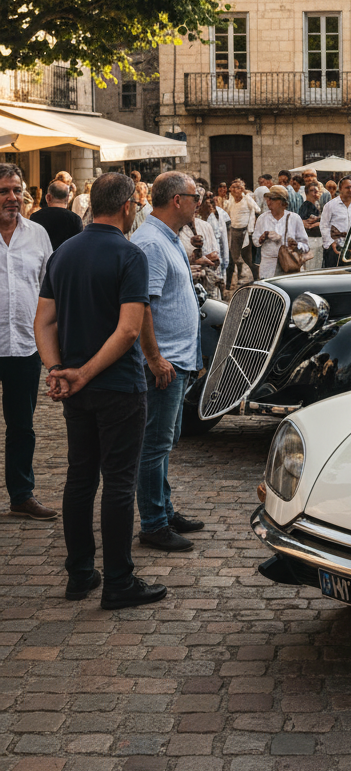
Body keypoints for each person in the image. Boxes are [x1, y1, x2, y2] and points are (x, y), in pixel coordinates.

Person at [35, 172, 167, 609]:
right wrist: (83, 373)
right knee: (118, 482)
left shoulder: (64, 253)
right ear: (128, 206)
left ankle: (79, 574)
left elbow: (43, 322)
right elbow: (129, 331)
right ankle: (118, 581)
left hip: (76, 386)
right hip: (117, 386)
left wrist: (58, 369)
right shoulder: (129, 256)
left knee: (79, 478)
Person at [131, 172, 205, 552]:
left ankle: (164, 508)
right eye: (196, 196)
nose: (200, 203)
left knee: (166, 439)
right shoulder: (151, 243)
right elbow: (141, 306)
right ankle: (154, 523)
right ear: (177, 200)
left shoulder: (167, 237)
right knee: (154, 444)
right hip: (164, 363)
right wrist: (154, 358)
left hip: (178, 359)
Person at [0, 165, 57, 519]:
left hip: (23, 345)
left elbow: (49, 291)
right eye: (5, 190)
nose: (12, 198)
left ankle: (21, 495)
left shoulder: (37, 235)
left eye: (17, 190)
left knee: (22, 425)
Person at [254, 185, 308, 279]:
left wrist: (296, 245)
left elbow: (305, 245)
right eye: (268, 198)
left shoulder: (294, 218)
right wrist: (262, 238)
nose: (269, 202)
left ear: (283, 202)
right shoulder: (262, 218)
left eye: (273, 199)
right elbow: (255, 241)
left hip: (289, 265)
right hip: (268, 267)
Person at [225, 179, 260, 288]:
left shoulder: (247, 199)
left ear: (242, 189)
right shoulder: (230, 201)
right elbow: (227, 213)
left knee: (248, 258)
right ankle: (235, 279)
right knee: (234, 257)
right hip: (234, 231)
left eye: (238, 187)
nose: (235, 190)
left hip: (245, 232)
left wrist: (246, 195)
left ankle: (257, 279)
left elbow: (257, 209)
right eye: (233, 187)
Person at [30, 179, 83, 250]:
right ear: (67, 198)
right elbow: (78, 247)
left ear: (48, 197)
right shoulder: (75, 219)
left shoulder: (35, 217)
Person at [320, 178, 351, 267]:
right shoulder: (330, 205)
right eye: (347, 187)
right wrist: (331, 243)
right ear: (340, 189)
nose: (350, 190)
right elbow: (324, 226)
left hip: (350, 247)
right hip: (334, 247)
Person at [299, 182, 324, 270]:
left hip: (317, 241)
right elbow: (307, 224)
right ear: (307, 193)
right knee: (311, 268)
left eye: (317, 191)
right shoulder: (306, 206)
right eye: (312, 191)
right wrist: (319, 222)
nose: (315, 193)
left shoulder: (315, 205)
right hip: (311, 241)